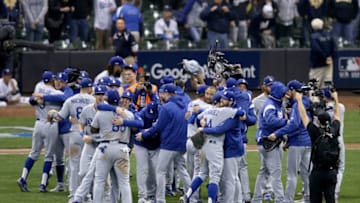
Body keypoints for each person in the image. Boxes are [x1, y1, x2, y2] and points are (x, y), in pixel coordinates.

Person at [135, 83, 192, 203]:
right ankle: (192, 196)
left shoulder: (167, 107)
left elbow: (158, 127)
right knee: (182, 170)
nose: (160, 95)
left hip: (169, 144)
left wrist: (144, 135)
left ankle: (160, 199)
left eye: (162, 93)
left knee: (160, 171)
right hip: (182, 144)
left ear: (167, 93)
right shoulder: (185, 105)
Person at [16, 71, 61, 192]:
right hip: (50, 124)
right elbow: (63, 97)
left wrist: (36, 98)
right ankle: (42, 184)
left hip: (38, 124)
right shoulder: (55, 92)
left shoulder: (38, 86)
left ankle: (23, 178)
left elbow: (31, 100)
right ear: (51, 80)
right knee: (49, 156)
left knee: (33, 153)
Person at [268, 80, 312, 203]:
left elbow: (294, 125)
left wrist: (277, 133)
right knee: (306, 173)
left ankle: (287, 200)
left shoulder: (297, 105)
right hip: (308, 142)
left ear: (293, 90)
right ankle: (308, 199)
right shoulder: (306, 103)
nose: (287, 92)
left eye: (289, 90)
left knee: (292, 174)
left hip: (298, 143)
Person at [90, 89, 135, 203]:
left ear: (106, 99)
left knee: (99, 180)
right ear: (119, 100)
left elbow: (93, 129)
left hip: (105, 148)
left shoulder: (101, 112)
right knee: (124, 183)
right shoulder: (127, 113)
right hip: (122, 149)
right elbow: (135, 128)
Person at [296, 90, 341, 203]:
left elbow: (303, 115)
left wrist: (299, 99)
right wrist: (336, 99)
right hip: (331, 172)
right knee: (331, 199)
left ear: (319, 121)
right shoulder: (334, 130)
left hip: (317, 173)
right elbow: (337, 115)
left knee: (315, 200)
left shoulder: (315, 132)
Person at [252, 81, 288, 203]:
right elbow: (270, 121)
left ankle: (256, 199)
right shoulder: (270, 105)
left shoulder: (276, 104)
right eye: (283, 93)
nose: (285, 95)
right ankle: (280, 200)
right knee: (276, 173)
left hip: (270, 142)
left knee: (264, 171)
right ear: (278, 93)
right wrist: (285, 122)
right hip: (268, 142)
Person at [309, 18, 337, 87]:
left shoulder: (313, 37)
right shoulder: (329, 35)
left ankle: (314, 98)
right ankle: (325, 97)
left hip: (318, 63)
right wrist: (330, 58)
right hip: (329, 62)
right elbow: (335, 48)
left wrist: (325, 58)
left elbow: (317, 49)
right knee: (328, 82)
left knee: (314, 83)